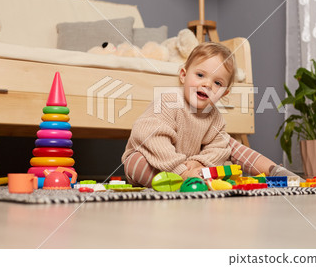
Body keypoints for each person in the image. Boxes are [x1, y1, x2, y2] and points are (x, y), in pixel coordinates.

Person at [121, 42, 301, 187]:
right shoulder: (169, 101)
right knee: (136, 161)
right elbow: (152, 139)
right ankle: (176, 184)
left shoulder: (215, 117)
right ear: (183, 75)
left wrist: (201, 162)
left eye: (217, 82)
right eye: (200, 75)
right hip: (156, 160)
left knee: (229, 144)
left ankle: (274, 171)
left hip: (192, 165)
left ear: (224, 93)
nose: (207, 84)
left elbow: (217, 148)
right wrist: (182, 171)